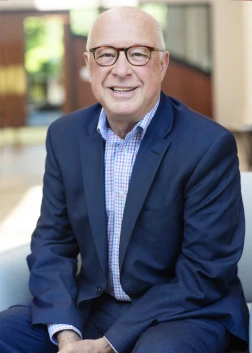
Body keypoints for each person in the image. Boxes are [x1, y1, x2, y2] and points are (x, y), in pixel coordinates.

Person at [0, 6, 249, 353]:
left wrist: (107, 345)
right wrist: (67, 336)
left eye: (138, 54)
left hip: (185, 313)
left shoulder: (208, 146)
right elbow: (53, 244)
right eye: (106, 55)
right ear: (88, 63)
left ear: (162, 64)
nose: (120, 70)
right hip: (95, 307)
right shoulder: (65, 136)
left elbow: (203, 273)